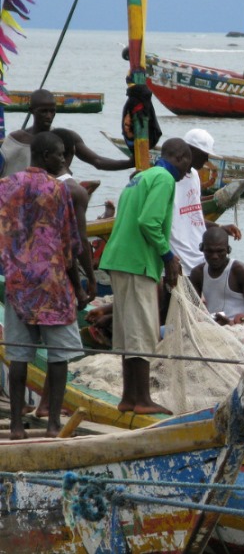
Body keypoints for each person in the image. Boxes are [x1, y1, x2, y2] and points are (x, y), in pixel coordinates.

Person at [0, 132, 88, 439]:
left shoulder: (5, 186)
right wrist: (78, 287)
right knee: (58, 355)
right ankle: (52, 425)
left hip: (17, 284)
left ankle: (14, 426)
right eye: (60, 155)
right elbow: (69, 243)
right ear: (44, 155)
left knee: (19, 355)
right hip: (52, 284)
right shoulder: (57, 189)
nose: (63, 160)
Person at [99, 138, 193, 416]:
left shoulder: (141, 177)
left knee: (129, 332)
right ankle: (142, 400)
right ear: (182, 158)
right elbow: (148, 222)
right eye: (188, 163)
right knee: (141, 332)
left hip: (119, 259)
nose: (188, 170)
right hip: (137, 262)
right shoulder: (164, 179)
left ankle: (129, 398)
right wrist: (168, 257)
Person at [1, 89, 135, 177]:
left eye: (52, 111)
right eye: (44, 111)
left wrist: (129, 163)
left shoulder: (64, 138)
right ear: (31, 110)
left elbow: (97, 161)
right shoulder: (16, 139)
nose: (49, 116)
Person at [170, 129, 242, 276]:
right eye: (204, 154)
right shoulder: (169, 180)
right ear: (189, 151)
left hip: (200, 259)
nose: (206, 159)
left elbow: (192, 215)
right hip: (179, 262)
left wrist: (220, 227)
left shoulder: (195, 176)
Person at [190, 227, 244, 325]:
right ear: (202, 249)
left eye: (220, 251)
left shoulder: (240, 271)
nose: (215, 256)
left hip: (239, 327)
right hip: (212, 325)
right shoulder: (197, 273)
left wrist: (236, 322)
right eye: (210, 251)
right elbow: (191, 307)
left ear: (228, 250)